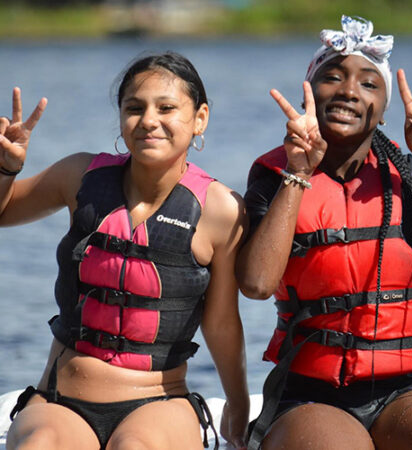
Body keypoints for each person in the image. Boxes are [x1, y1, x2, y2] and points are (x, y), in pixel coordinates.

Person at [1, 51, 249, 450]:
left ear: (200, 118)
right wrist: (6, 170)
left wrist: (237, 403)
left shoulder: (221, 211)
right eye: (134, 107)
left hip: (157, 405)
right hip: (59, 402)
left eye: (167, 107)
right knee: (39, 445)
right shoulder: (79, 175)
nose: (149, 120)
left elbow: (221, 324)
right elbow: (4, 212)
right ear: (120, 118)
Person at [236, 15, 412, 450]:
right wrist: (299, 172)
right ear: (309, 93)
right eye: (332, 77)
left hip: (406, 387)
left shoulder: (410, 173)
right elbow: (256, 284)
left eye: (369, 84)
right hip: (311, 395)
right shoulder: (273, 177)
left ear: (385, 110)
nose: (350, 90)